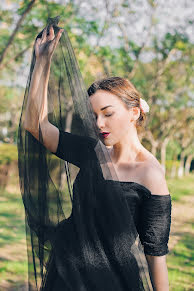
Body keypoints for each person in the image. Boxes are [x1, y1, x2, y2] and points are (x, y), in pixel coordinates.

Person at [18, 18, 172, 291]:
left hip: (110, 282)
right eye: (93, 116)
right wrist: (42, 62)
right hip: (64, 275)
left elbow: (156, 253)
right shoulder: (92, 152)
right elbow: (35, 125)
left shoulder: (151, 175)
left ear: (134, 112)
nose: (99, 124)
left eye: (108, 114)